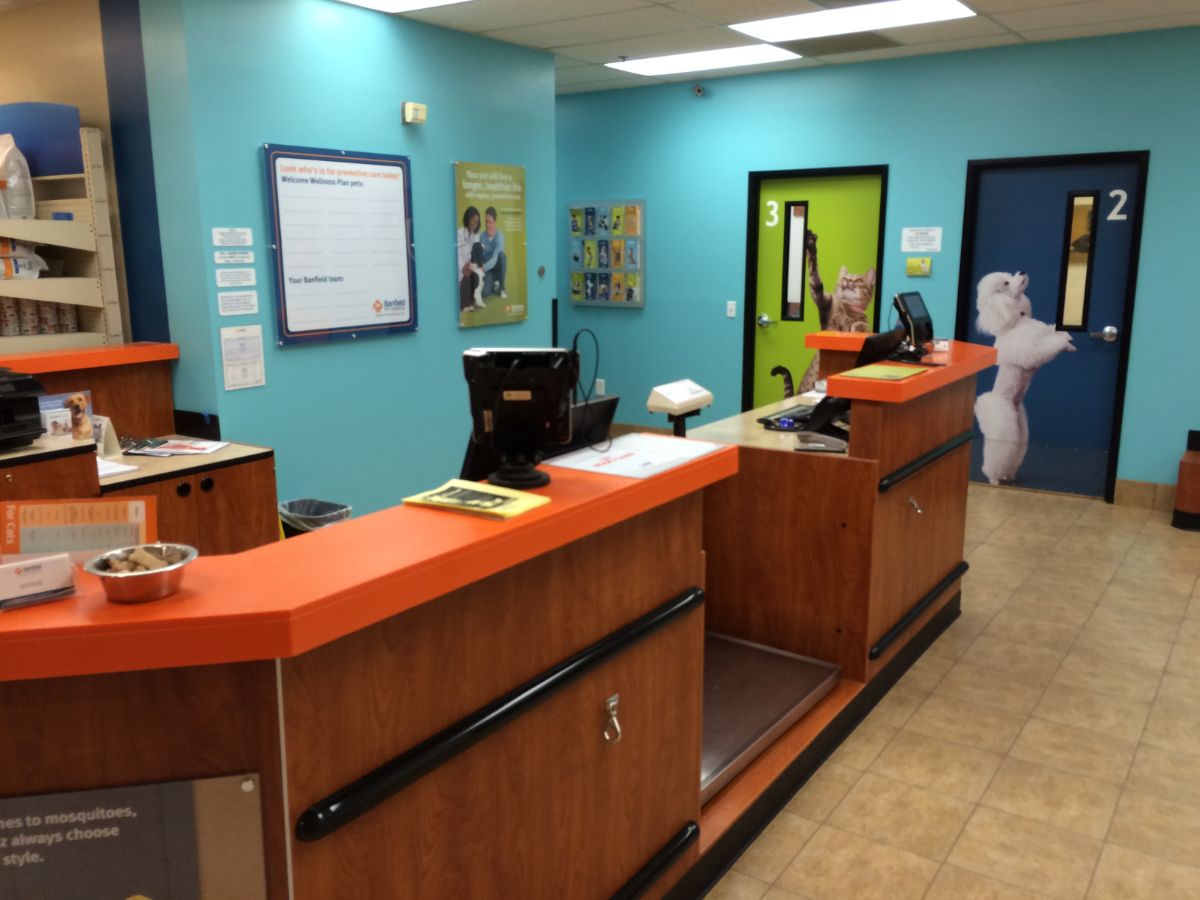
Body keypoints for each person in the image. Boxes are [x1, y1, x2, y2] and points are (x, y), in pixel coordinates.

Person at [479, 206, 507, 299]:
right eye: (486, 222)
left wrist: (483, 268)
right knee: (484, 293)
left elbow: (495, 258)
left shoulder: (500, 236)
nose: (487, 225)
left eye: (490, 222)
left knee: (502, 256)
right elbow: (481, 256)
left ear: (494, 222)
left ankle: (502, 287)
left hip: (496, 266)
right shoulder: (482, 236)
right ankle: (494, 283)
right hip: (488, 269)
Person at [457, 206, 481, 275]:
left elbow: (477, 256)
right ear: (467, 219)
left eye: (477, 222)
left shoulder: (476, 236)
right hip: (462, 272)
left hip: (472, 270)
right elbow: (458, 257)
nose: (475, 224)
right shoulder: (459, 234)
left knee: (478, 246)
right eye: (473, 221)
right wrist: (465, 268)